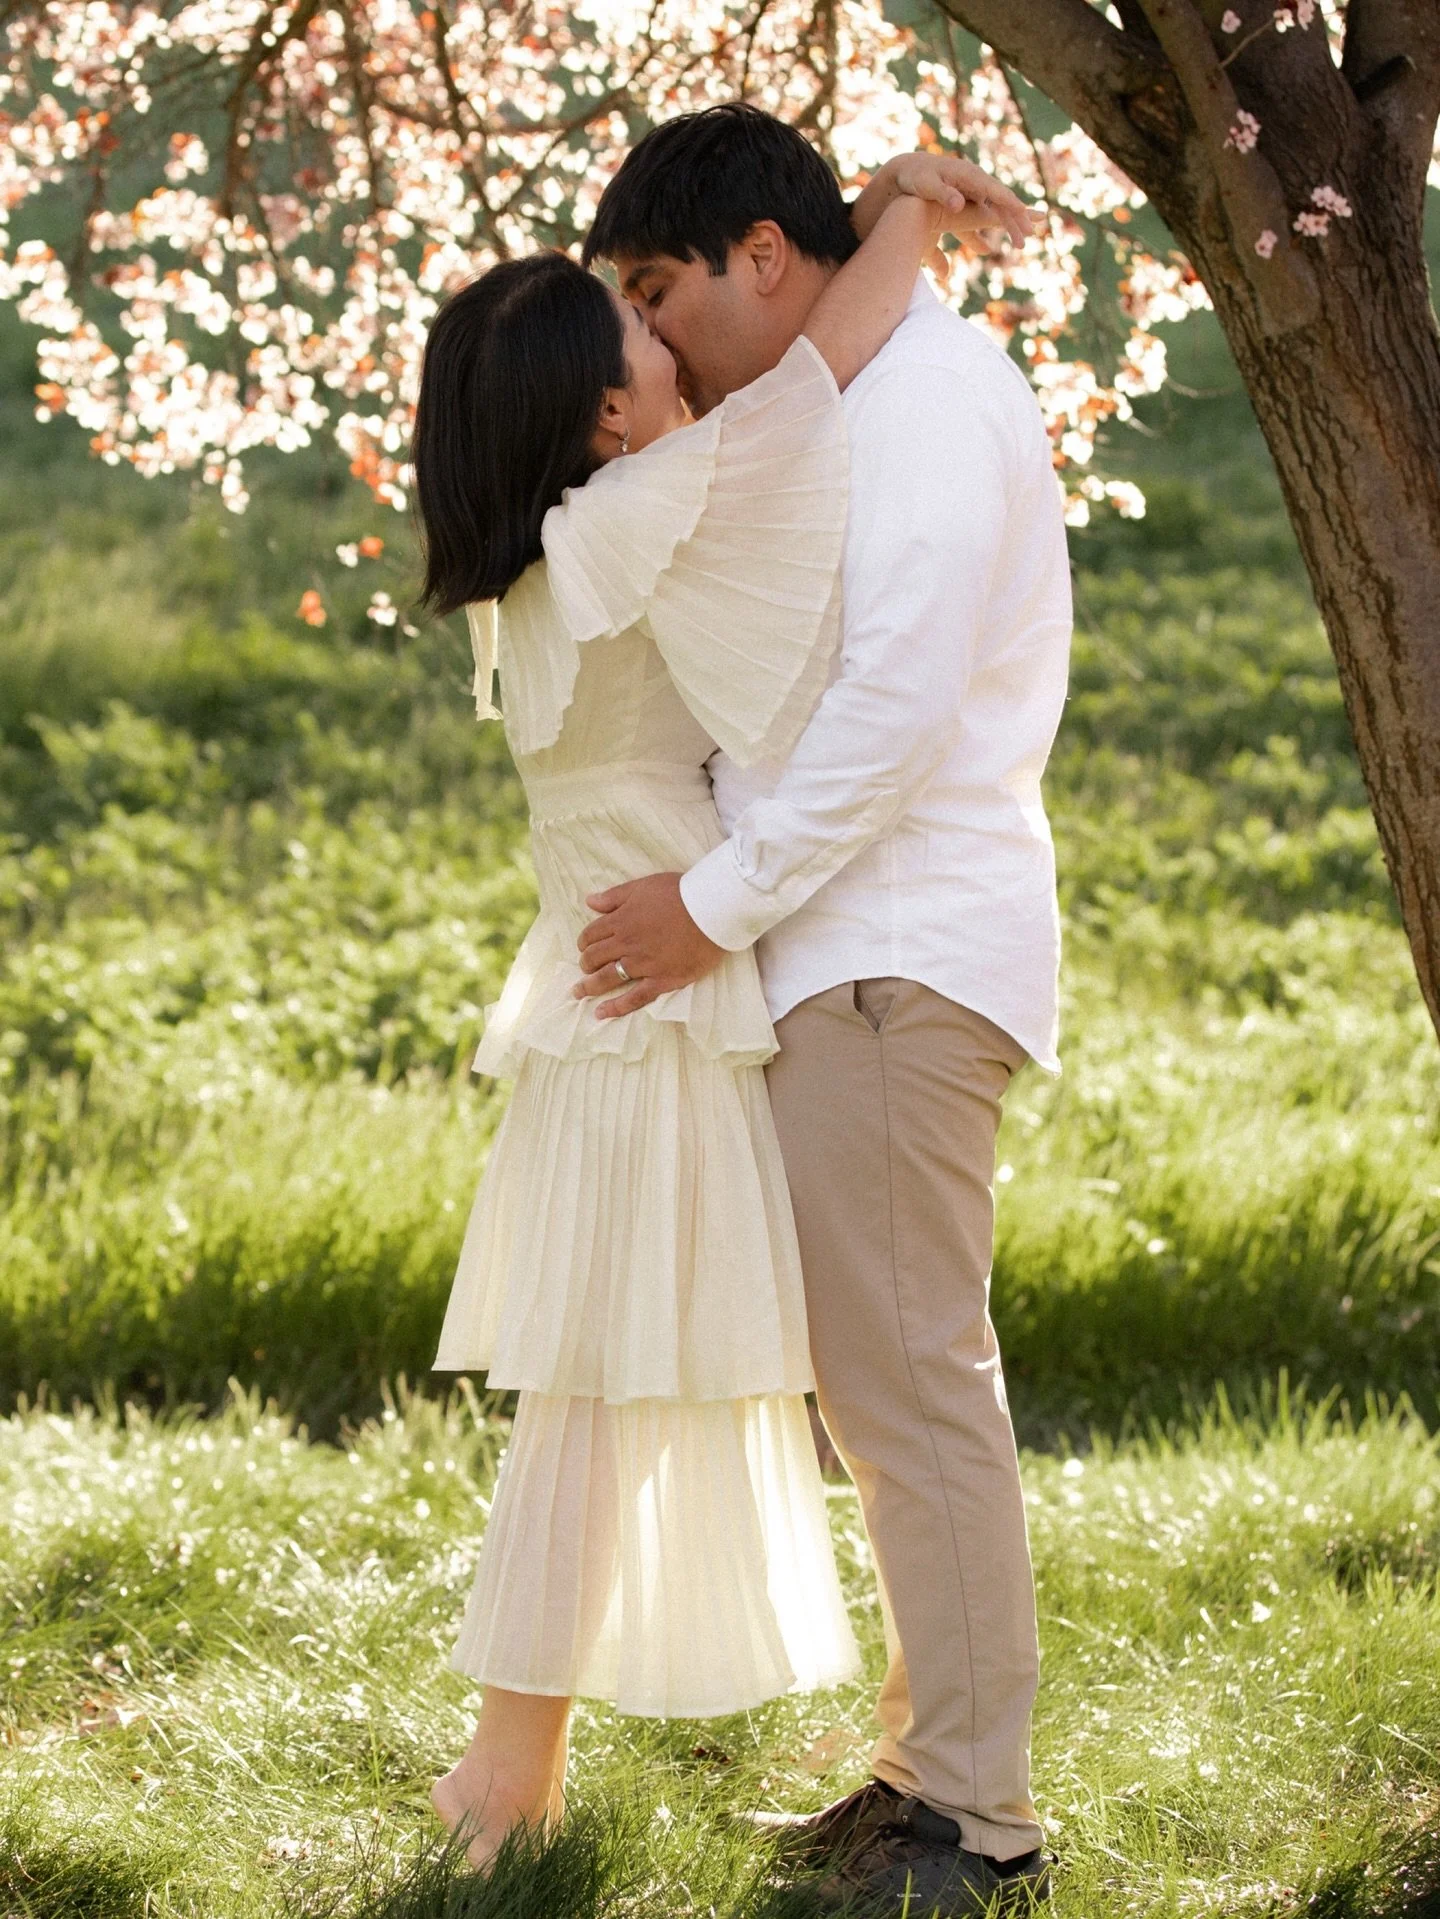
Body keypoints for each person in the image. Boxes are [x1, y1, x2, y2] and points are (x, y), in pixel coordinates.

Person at [410, 136, 1033, 1898]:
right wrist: (902, 208)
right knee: (610, 1385)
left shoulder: (565, 549)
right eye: (638, 342)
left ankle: (563, 1764)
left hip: (633, 1011)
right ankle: (506, 1765)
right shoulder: (623, 525)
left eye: (655, 307)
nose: (668, 352)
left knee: (641, 1379)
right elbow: (816, 380)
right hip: (651, 1016)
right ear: (607, 423)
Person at [572, 104, 1073, 1916]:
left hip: (895, 954)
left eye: (654, 292)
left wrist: (708, 909)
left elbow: (899, 701)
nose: (652, 335)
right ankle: (923, 1773)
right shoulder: (848, 397)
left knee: (914, 1388)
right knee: (882, 1390)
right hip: (848, 950)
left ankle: (978, 1827)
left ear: (760, 262)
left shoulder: (930, 404)